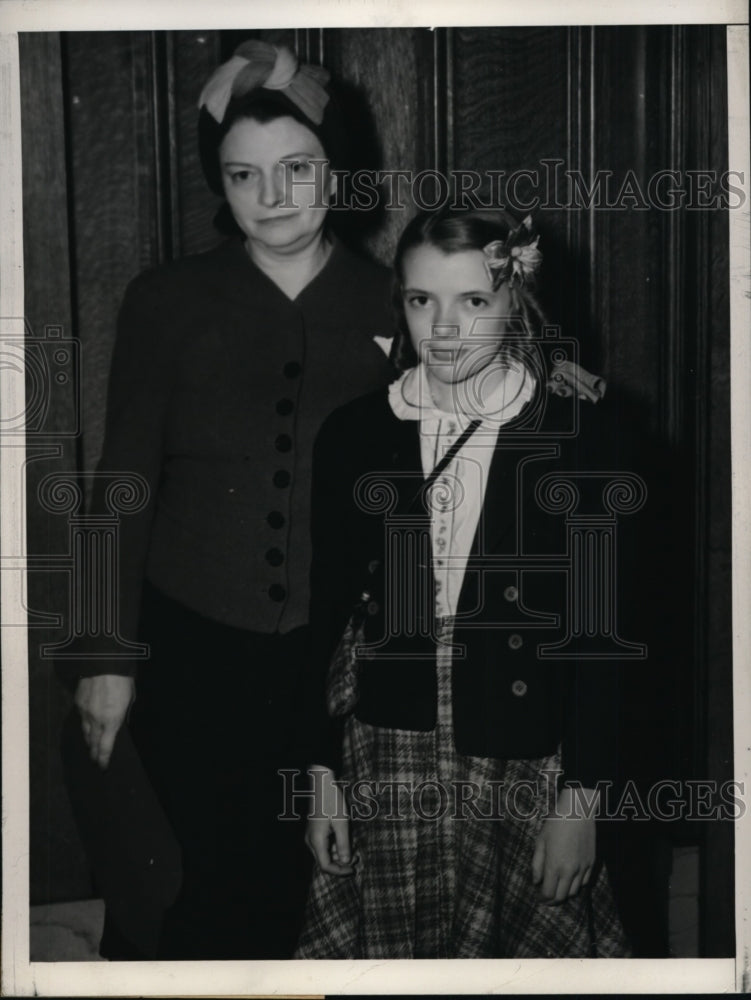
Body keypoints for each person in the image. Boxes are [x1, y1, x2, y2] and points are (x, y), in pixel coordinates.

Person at [68, 39, 394, 960]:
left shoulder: (391, 301)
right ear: (222, 181)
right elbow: (120, 481)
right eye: (246, 175)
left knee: (306, 893)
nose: (275, 195)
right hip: (190, 645)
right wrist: (105, 657)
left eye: (299, 168)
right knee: (183, 886)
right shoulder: (167, 300)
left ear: (339, 170)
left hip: (330, 661)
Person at [296, 207, 636, 958]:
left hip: (519, 741)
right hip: (388, 738)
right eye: (422, 301)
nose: (444, 328)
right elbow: (324, 619)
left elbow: (600, 639)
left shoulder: (577, 435)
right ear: (401, 305)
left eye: (473, 302)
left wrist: (580, 800)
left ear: (515, 302)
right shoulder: (355, 434)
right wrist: (320, 771)